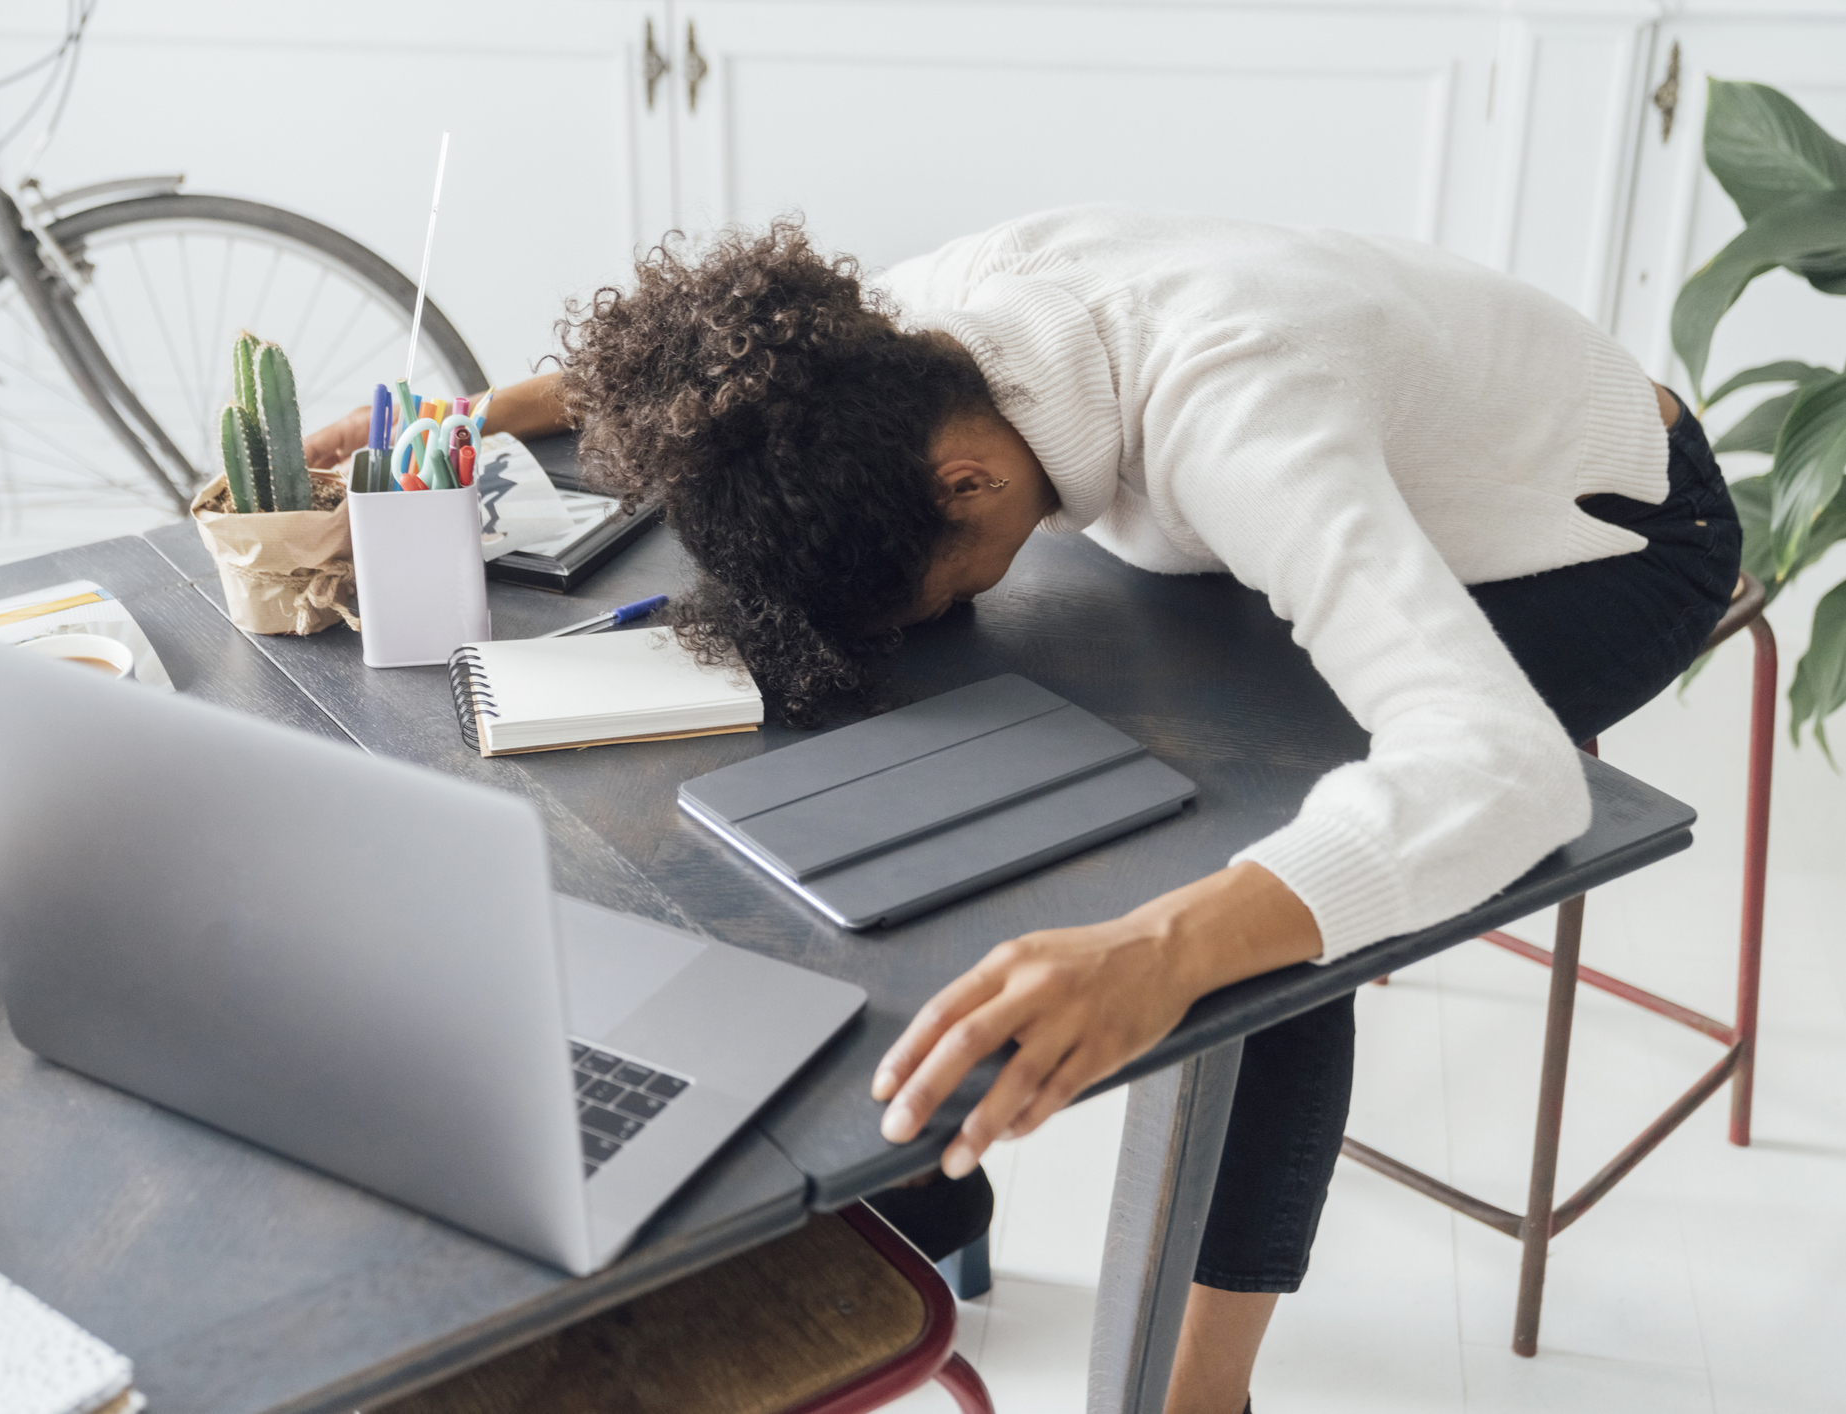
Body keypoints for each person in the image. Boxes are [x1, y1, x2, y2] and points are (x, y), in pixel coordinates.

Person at [304, 209, 1738, 1414]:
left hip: (1592, 534)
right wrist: (468, 420)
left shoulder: (1239, 410)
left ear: (970, 477)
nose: (960, 589)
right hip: (1322, 479)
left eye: (955, 560)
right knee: (904, 706)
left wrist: (1162, 946)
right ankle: (935, 1201)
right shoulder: (915, 347)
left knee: (1279, 900)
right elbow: (742, 374)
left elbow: (1496, 769)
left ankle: (1197, 1393)